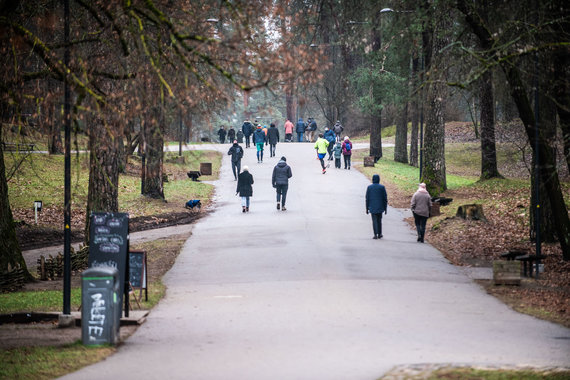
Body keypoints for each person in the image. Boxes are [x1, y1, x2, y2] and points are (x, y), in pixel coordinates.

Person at [365, 174, 388, 239]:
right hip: (380, 207)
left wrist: (367, 208)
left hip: (372, 207)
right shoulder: (382, 187)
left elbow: (367, 198)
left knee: (374, 221)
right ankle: (380, 233)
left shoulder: (369, 187)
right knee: (379, 220)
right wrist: (385, 208)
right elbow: (385, 198)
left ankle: (375, 234)